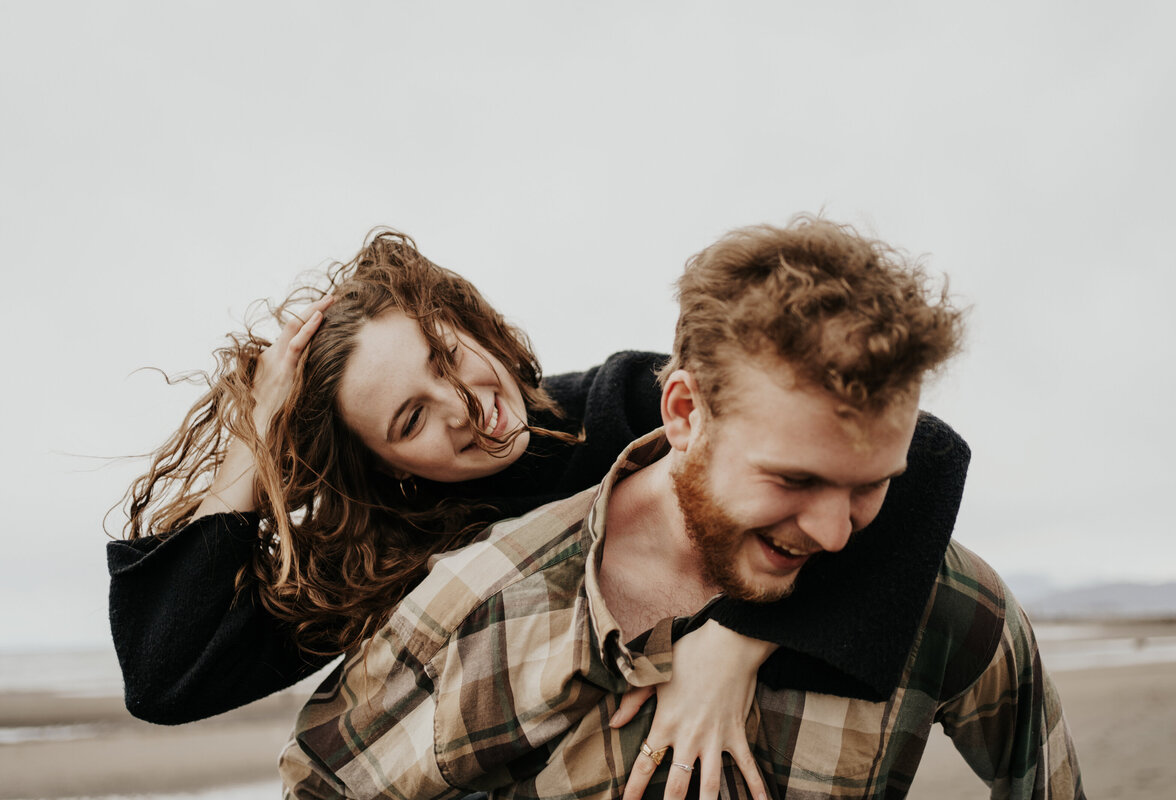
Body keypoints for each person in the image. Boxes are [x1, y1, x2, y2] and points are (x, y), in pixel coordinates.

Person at [110, 229, 967, 798]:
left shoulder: (619, 405)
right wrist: (252, 451)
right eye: (409, 418)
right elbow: (166, 678)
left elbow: (922, 451)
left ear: (472, 322)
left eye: (448, 356)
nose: (462, 405)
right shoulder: (390, 546)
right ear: (382, 466)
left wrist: (736, 641)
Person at [280, 216, 1085, 800]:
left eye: (872, 484)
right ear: (684, 413)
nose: (838, 533)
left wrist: (744, 637)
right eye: (795, 480)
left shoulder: (949, 607)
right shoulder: (486, 598)